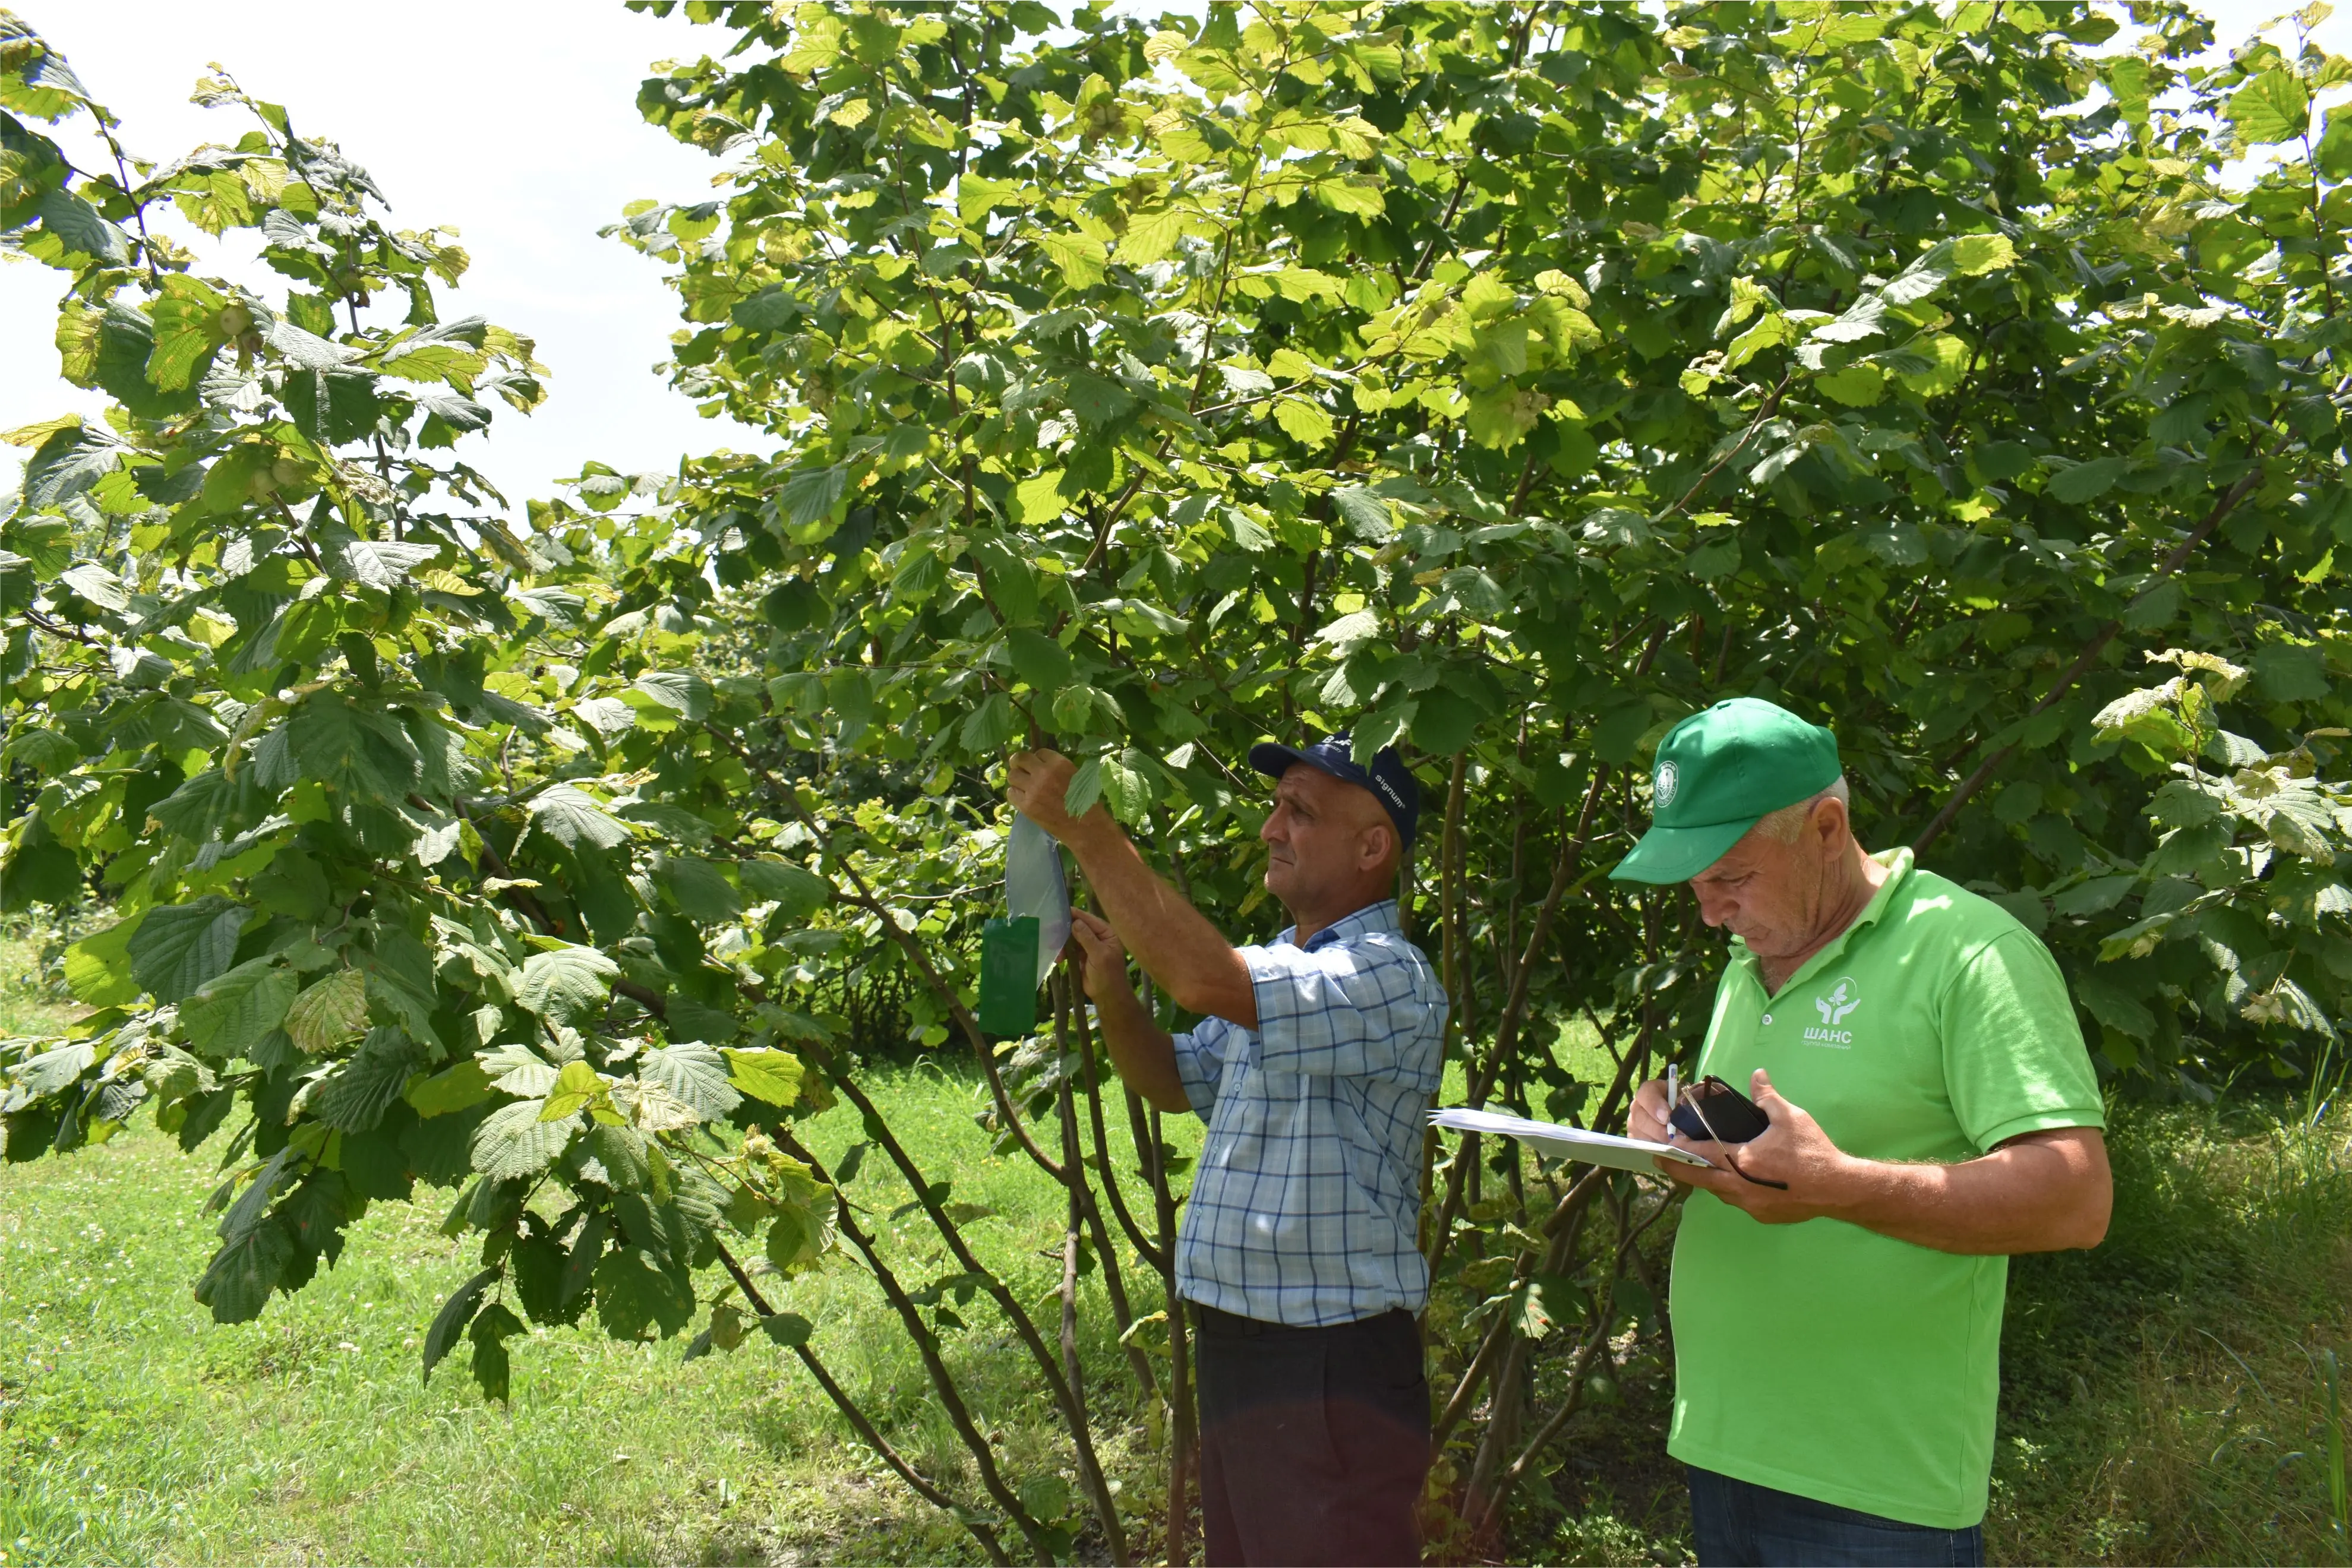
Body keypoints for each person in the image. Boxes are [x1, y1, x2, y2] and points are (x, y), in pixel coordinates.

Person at [1615, 697, 2113, 1567]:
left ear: (1825, 826)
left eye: (1729, 877)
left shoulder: (1969, 954)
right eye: (1695, 887)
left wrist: (1839, 1186)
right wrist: (1679, 1140)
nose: (1709, 913)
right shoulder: (1750, 962)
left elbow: (2074, 1198)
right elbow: (1771, 1162)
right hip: (1722, 1448)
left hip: (1873, 1493)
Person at [1006, 734, 1447, 1568]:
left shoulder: (1387, 975)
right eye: (1276, 807)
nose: (1269, 829)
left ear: (1371, 846)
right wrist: (1112, 997)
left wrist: (1089, 832)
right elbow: (1176, 1082)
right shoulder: (1279, 967)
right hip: (1243, 1352)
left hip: (1330, 1366)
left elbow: (1202, 982)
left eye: (1300, 812)